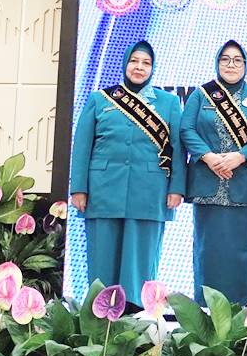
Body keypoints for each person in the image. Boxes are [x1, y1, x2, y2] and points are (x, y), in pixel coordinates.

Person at [70, 40, 185, 308]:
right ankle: (99, 321)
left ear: (153, 68)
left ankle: (135, 321)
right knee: (102, 263)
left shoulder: (168, 103)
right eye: (134, 61)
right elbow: (82, 146)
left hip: (150, 192)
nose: (139, 67)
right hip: (103, 191)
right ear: (124, 64)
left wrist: (177, 188)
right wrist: (79, 188)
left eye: (146, 63)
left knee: (140, 266)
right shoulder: (100, 99)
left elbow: (178, 150)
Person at [180, 40, 247, 306]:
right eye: (225, 59)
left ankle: (245, 312)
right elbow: (186, 130)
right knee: (209, 252)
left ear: (245, 64)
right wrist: (208, 156)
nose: (231, 65)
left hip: (245, 187)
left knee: (245, 254)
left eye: (237, 60)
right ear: (217, 63)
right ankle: (206, 313)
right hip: (207, 186)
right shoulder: (200, 96)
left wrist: (241, 156)